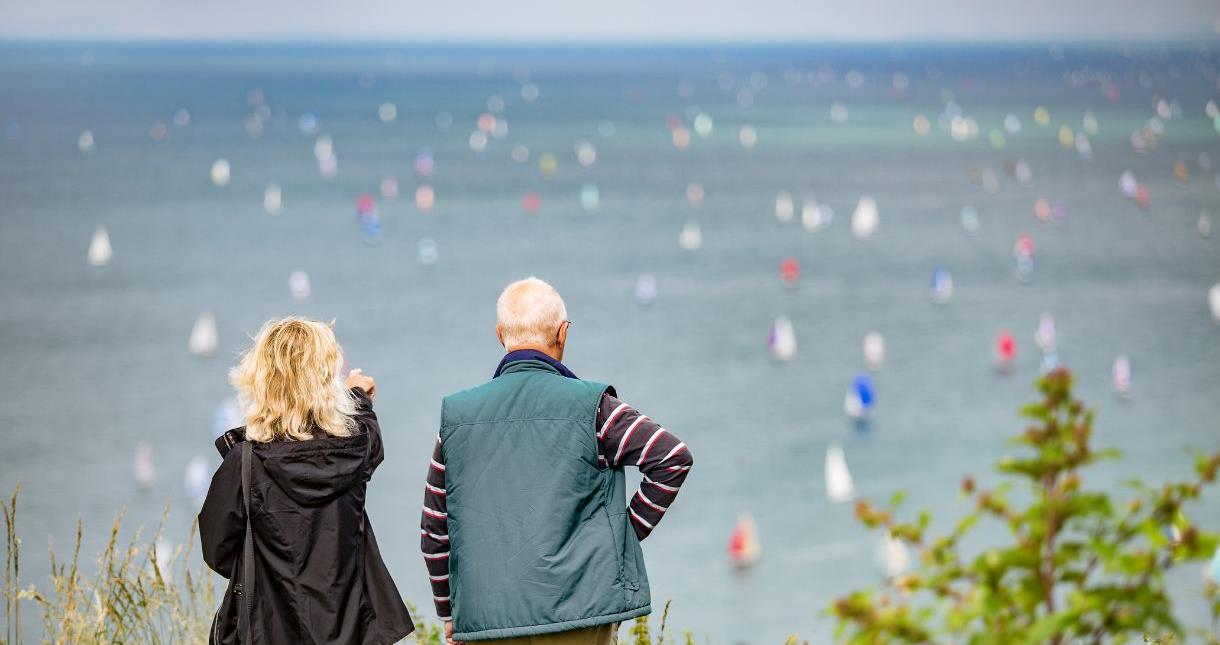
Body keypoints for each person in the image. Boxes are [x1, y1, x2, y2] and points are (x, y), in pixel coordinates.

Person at [421, 278, 694, 645]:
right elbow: (671, 458)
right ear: (563, 333)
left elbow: (435, 530)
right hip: (581, 614)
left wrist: (449, 612)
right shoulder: (597, 410)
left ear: (500, 334)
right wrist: (620, 539)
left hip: (488, 622)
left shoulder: (456, 421)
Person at [200, 317, 414, 645]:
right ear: (326, 378)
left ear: (262, 378)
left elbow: (217, 551)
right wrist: (358, 397)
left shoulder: (243, 463)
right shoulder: (355, 448)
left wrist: (272, 575)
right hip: (351, 630)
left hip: (268, 631)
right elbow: (366, 430)